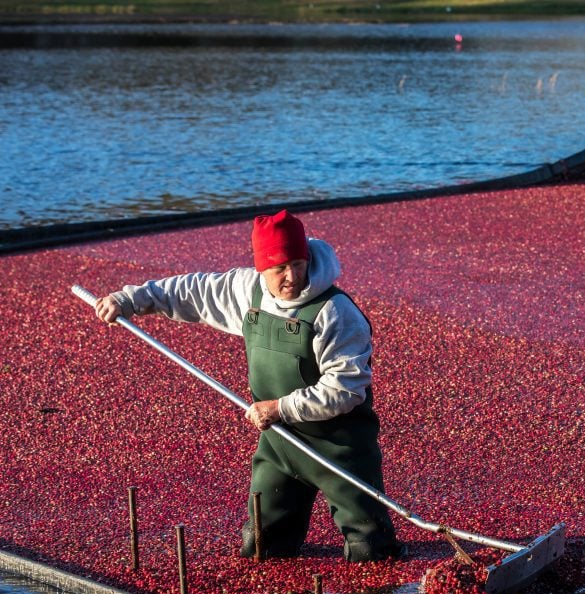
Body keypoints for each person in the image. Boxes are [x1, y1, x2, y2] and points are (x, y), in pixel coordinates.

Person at [94, 210, 404, 562]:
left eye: (298, 264)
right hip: (279, 444)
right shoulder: (249, 291)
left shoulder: (335, 312)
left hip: (339, 445)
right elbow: (192, 292)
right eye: (279, 268)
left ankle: (372, 553)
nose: (290, 277)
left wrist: (278, 408)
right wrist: (130, 300)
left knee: (371, 552)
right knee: (260, 547)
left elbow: (345, 389)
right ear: (261, 269)